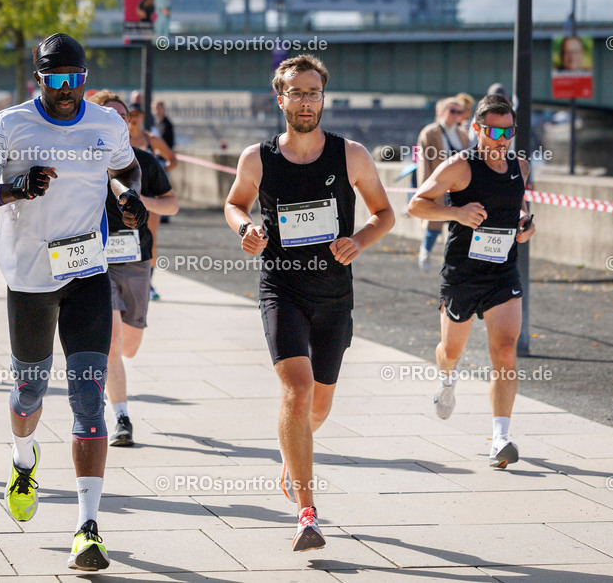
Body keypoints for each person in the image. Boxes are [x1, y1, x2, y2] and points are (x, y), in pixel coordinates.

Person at [0, 33, 149, 572]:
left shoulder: (106, 123)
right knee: (29, 394)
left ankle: (88, 528)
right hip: (30, 279)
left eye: (75, 79)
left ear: (85, 78)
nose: (67, 90)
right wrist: (12, 189)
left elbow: (125, 170)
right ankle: (23, 460)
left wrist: (128, 196)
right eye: (56, 80)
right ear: (38, 79)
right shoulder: (9, 125)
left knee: (88, 399)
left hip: (87, 272)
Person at [224, 55, 394, 552]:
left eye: (313, 92)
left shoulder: (351, 155)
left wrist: (359, 240)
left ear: (323, 98)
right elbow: (234, 204)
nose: (305, 101)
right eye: (296, 92)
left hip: (334, 294)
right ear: (280, 98)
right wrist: (246, 228)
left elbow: (384, 213)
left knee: (318, 405)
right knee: (297, 393)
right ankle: (307, 513)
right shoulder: (257, 158)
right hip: (281, 287)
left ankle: (291, 451)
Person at [407, 93, 536, 469]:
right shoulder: (460, 166)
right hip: (463, 274)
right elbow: (416, 204)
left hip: (502, 271)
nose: (502, 139)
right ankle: (447, 380)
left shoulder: (521, 166)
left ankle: (500, 438)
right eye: (494, 131)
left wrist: (524, 224)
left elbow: (518, 205)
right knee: (451, 352)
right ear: (477, 129)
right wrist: (457, 212)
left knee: (506, 351)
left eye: (508, 131)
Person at [88, 90, 179, 448]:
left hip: (136, 260)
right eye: (108, 116)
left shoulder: (143, 161)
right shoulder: (84, 161)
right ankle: (121, 417)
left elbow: (171, 204)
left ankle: (115, 375)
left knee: (130, 346)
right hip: (97, 263)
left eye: (122, 116)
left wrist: (141, 200)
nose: (118, 122)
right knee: (112, 343)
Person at [127, 102, 176, 300]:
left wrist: (160, 172)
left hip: (149, 198)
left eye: (137, 114)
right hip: (126, 197)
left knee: (151, 239)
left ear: (142, 116)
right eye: (130, 114)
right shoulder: (120, 139)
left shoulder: (150, 139)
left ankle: (148, 282)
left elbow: (172, 158)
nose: (134, 118)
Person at [416, 97, 471, 271]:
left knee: (456, 225)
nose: (456, 115)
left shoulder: (462, 134)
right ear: (441, 111)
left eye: (459, 112)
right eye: (452, 111)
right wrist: (425, 189)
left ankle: (451, 260)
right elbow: (423, 164)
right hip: (438, 185)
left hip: (457, 188)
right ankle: (425, 252)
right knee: (434, 224)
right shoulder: (429, 133)